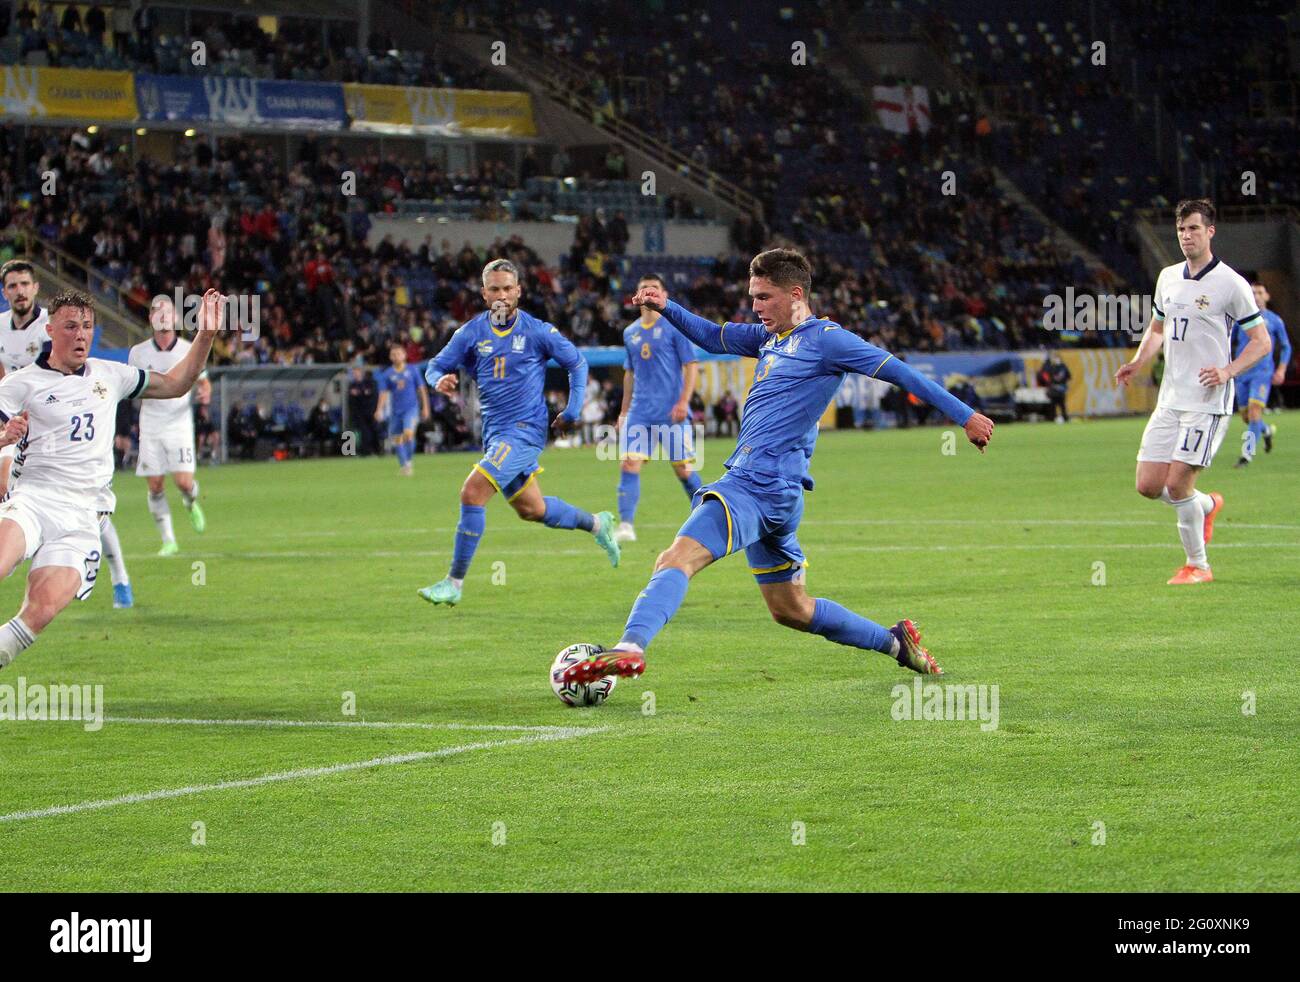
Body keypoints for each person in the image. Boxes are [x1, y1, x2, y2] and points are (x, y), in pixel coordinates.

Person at [557, 248, 994, 687]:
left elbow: (900, 372)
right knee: (792, 610)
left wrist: (966, 416)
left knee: (676, 557)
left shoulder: (828, 340)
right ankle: (897, 642)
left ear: (796, 294)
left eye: (764, 297)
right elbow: (712, 337)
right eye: (753, 296)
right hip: (778, 495)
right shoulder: (770, 339)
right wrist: (666, 305)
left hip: (758, 484)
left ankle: (630, 647)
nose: (756, 306)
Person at [0, 289, 221, 669]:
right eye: (71, 326)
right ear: (51, 329)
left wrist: (206, 336)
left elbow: (175, 383)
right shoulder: (22, 383)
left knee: (41, 610)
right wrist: (3, 437)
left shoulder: (110, 375)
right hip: (35, 500)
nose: (81, 334)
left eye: (87, 326)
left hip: (84, 517)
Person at [418, 259, 620, 607]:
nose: (501, 295)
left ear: (518, 291)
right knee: (533, 509)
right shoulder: (470, 333)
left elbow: (576, 362)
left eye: (507, 288)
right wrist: (439, 379)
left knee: (472, 493)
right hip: (496, 435)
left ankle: (454, 582)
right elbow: (435, 365)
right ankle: (597, 524)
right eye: (494, 289)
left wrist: (572, 409)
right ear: (484, 294)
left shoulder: (537, 331)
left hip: (525, 432)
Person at [1115, 199, 1272, 585]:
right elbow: (1156, 330)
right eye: (1182, 229)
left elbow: (1261, 341)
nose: (1187, 236)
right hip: (1170, 399)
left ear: (1210, 232)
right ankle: (1207, 505)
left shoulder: (1231, 284)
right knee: (1148, 485)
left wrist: (1227, 370)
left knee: (1177, 484)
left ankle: (1198, 566)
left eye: (1194, 229)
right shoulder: (1168, 277)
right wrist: (1138, 362)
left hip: (1207, 402)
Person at [0, 259, 134, 608]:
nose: (19, 291)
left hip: (52, 420)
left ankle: (118, 575)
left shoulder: (52, 322)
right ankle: (19, 545)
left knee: (84, 498)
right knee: (7, 486)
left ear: (35, 288)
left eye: (24, 284)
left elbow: (59, 371)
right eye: (12, 286)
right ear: (5, 292)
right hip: (15, 421)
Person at [613, 274, 701, 543]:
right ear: (636, 296)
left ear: (663, 294)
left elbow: (691, 365)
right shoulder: (630, 332)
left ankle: (706, 516)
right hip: (641, 411)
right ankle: (626, 525)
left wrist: (684, 402)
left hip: (670, 411)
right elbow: (629, 374)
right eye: (644, 289)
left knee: (683, 470)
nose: (649, 293)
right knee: (629, 463)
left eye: (654, 289)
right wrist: (624, 411)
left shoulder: (674, 327)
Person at [128, 295, 210, 556]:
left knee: (184, 482)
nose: (162, 316)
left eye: (167, 312)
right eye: (156, 312)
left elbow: (203, 379)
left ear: (175, 318)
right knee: (155, 485)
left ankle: (190, 500)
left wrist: (205, 391)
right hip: (151, 423)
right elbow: (132, 387)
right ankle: (168, 540)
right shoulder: (138, 353)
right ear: (150, 319)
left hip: (179, 423)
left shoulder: (188, 348)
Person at [1232, 280, 1291, 468]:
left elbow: (1286, 346)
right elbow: (1228, 342)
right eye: (1252, 293)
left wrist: (1281, 369)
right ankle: (1266, 431)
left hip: (1262, 372)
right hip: (1242, 373)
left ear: (1267, 296)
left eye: (1259, 292)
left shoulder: (1274, 320)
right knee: (1248, 417)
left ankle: (1246, 454)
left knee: (1255, 410)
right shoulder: (1240, 320)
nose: (1256, 296)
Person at [374, 343, 429, 476]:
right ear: (390, 357)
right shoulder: (387, 374)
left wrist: (425, 407)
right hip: (395, 411)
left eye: (399, 353)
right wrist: (379, 409)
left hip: (411, 409)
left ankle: (408, 462)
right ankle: (405, 465)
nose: (396, 356)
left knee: (408, 434)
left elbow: (421, 389)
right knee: (397, 439)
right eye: (394, 354)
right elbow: (383, 393)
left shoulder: (413, 370)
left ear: (404, 355)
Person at [1036, 350, 1071, 423]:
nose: (1056, 359)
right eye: (1054, 357)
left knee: (1062, 405)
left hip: (1061, 389)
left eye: (1057, 357)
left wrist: (1065, 386)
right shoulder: (1050, 367)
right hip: (1053, 389)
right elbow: (1044, 376)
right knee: (1053, 405)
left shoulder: (1063, 367)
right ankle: (1053, 418)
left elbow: (1068, 377)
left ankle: (1065, 418)